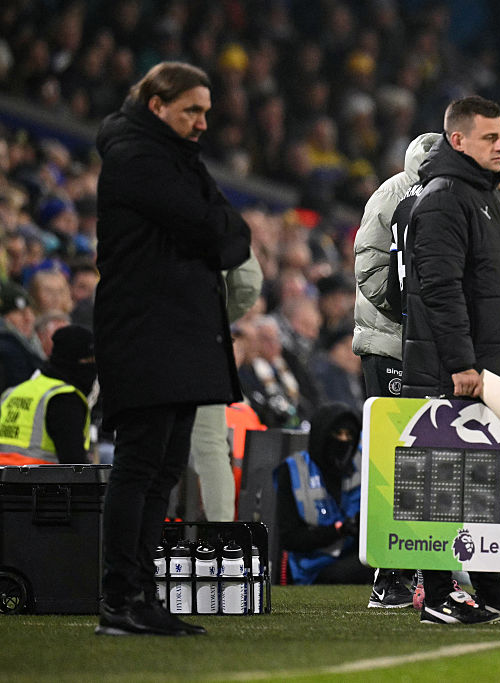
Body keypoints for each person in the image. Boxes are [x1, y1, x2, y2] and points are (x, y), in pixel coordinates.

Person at [94, 61, 251, 637]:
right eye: (192, 110)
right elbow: (215, 230)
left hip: (177, 332)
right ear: (158, 105)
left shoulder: (173, 157)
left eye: (206, 111)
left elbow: (233, 233)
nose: (202, 122)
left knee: (160, 471)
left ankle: (141, 598)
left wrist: (219, 232)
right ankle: (119, 600)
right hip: (146, 331)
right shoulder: (138, 157)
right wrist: (217, 232)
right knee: (140, 467)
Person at [402, 96, 500, 625]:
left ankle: (490, 590)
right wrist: (463, 363)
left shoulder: (481, 195)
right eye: (490, 137)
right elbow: (440, 290)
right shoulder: (445, 198)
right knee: (444, 483)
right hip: (462, 371)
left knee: (485, 482)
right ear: (457, 140)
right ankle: (440, 591)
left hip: (491, 367)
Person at [352, 132, 439, 610]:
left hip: (422, 345)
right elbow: (369, 268)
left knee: (423, 458)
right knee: (396, 459)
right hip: (390, 344)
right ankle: (389, 576)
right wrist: (412, 309)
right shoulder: (392, 194)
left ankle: (419, 569)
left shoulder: (430, 195)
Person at [188, 251, 263, 522]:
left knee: (144, 451)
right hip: (204, 345)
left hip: (150, 343)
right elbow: (248, 282)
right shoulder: (213, 214)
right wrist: (216, 318)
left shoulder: (138, 218)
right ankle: (221, 541)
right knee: (211, 449)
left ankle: (144, 550)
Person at [273, 403, 371, 584]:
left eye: (349, 435)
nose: (343, 441)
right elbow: (290, 538)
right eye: (337, 434)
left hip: (356, 555)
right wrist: (338, 531)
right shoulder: (294, 471)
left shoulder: (362, 465)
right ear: (321, 435)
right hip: (312, 566)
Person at [0, 325, 95, 465]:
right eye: (89, 361)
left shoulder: (12, 393)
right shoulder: (65, 399)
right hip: (41, 483)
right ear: (74, 361)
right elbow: (75, 466)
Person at [0, 279, 44, 391]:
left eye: (31, 312)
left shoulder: (31, 345)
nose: (28, 318)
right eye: (20, 313)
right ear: (3, 318)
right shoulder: (7, 350)